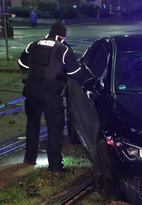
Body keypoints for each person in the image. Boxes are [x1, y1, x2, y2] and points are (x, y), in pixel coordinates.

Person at [18, 22, 84, 172]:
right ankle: (54, 166)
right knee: (55, 129)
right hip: (52, 95)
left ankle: (30, 157)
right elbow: (76, 73)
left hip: (31, 92)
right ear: (63, 35)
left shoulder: (33, 45)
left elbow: (22, 64)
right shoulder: (63, 49)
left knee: (32, 124)